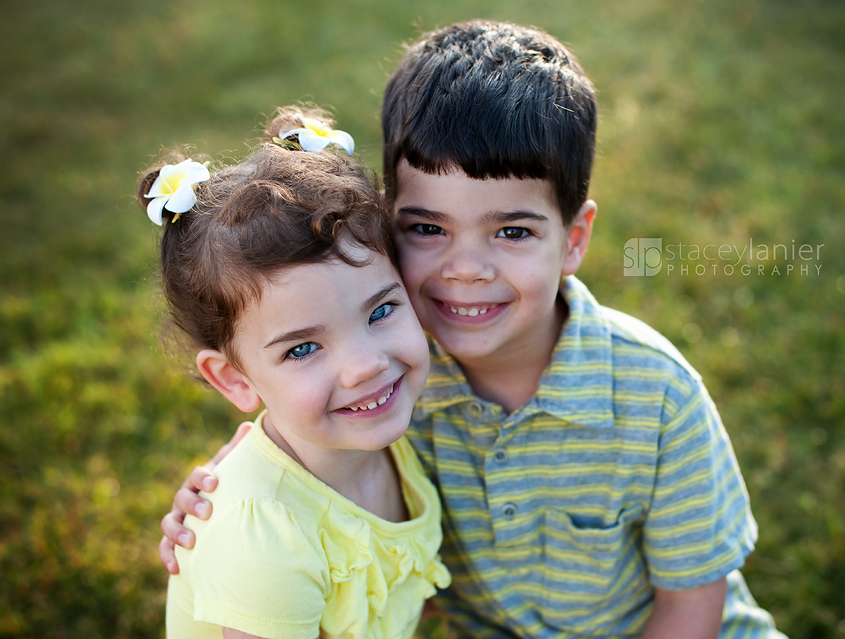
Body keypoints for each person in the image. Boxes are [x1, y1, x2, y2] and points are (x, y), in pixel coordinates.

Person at [160, 22, 786, 638]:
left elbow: (692, 609)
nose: (465, 270)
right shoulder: (392, 382)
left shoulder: (656, 397)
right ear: (384, 228)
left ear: (573, 241)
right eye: (427, 229)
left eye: (512, 231)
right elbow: (289, 467)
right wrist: (212, 504)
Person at [140, 106, 450, 639]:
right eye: (303, 349)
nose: (366, 366)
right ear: (234, 379)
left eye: (380, 311)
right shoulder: (264, 541)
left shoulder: (389, 441)